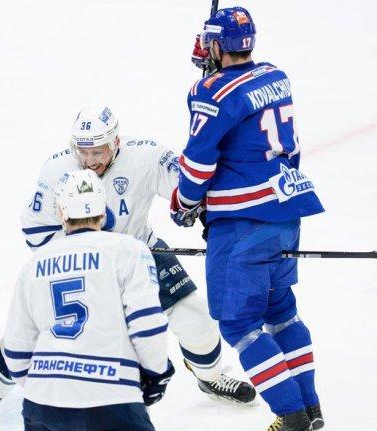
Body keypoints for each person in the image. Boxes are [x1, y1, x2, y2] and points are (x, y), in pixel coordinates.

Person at [0, 107, 255, 426]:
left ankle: (211, 376)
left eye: (98, 151)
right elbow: (35, 229)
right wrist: (89, 248)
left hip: (139, 249)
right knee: (39, 327)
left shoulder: (147, 157)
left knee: (193, 315)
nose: (90, 160)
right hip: (78, 260)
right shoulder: (57, 170)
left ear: (116, 142)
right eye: (83, 151)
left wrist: (209, 217)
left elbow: (191, 189)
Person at [171, 7, 324, 431]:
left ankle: (291, 417)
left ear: (216, 45)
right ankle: (312, 411)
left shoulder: (211, 91)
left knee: (240, 323)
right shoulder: (276, 76)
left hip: (242, 223)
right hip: (286, 212)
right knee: (282, 313)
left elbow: (198, 164)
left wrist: (184, 203)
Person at [3, 169, 172, 431]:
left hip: (42, 403)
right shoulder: (128, 250)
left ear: (61, 212)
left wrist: (48, 385)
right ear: (103, 211)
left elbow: (16, 347)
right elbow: (147, 324)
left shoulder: (34, 263)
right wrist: (156, 372)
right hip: (111, 399)